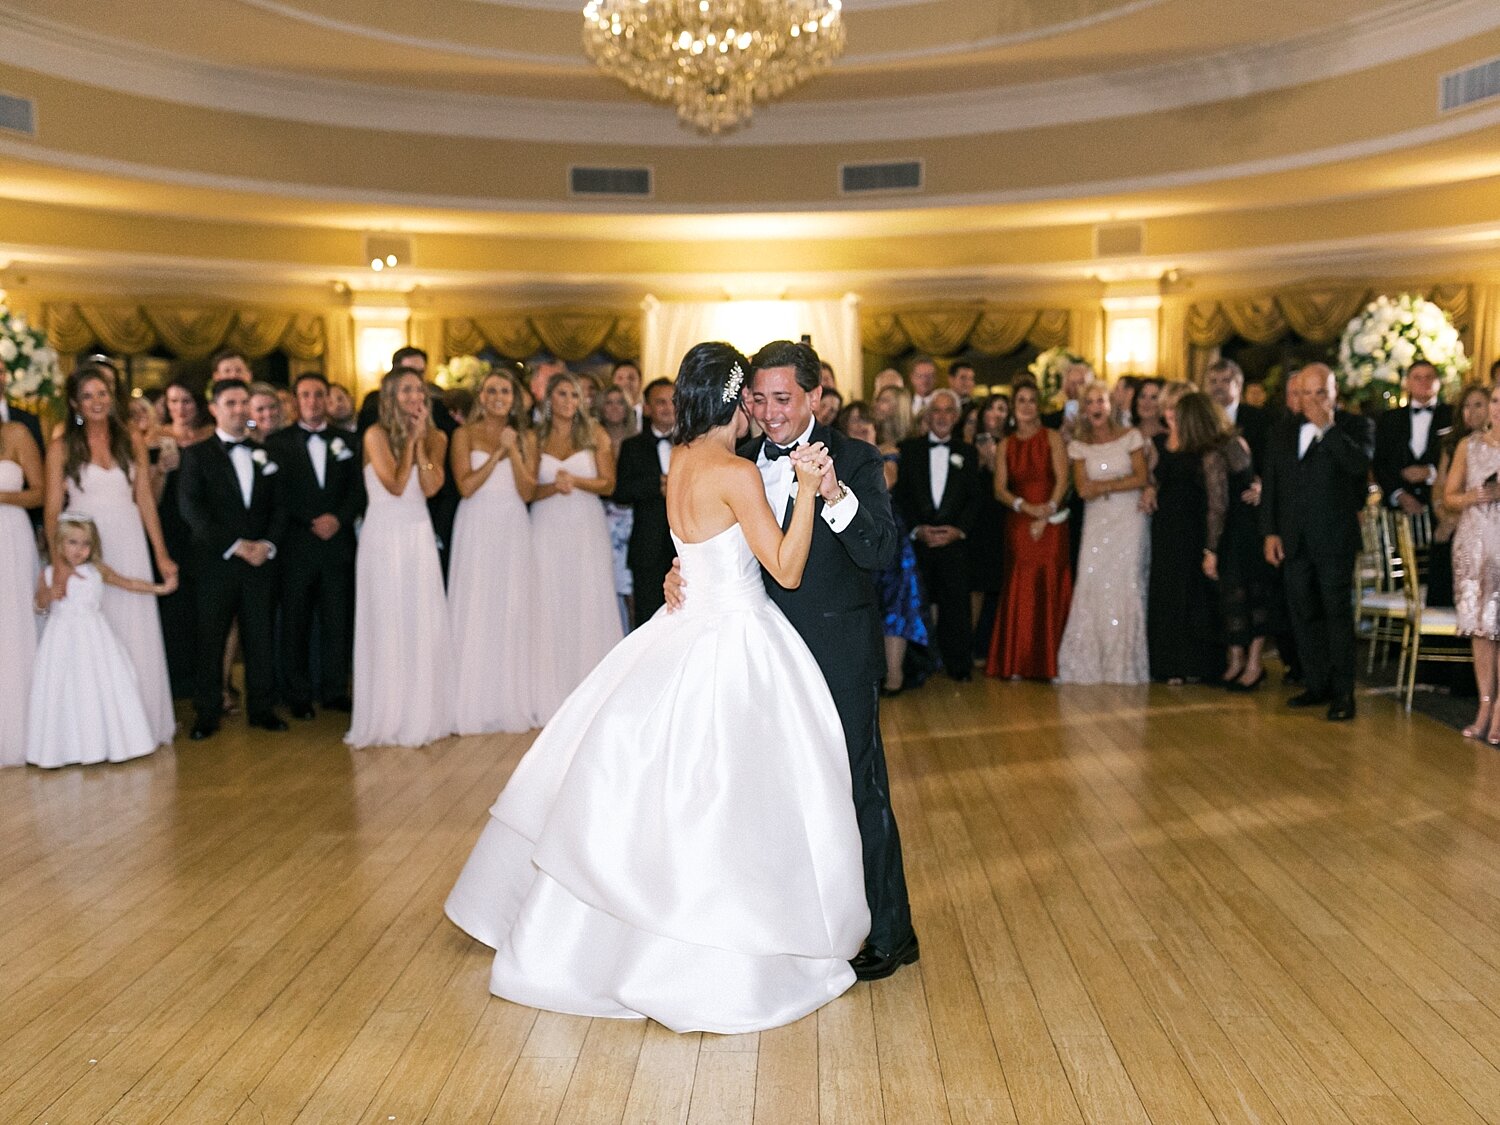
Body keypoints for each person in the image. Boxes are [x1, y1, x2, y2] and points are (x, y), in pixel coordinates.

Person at [445, 342, 868, 1033]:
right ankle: (725, 946)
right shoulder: (734, 472)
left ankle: (629, 940)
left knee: (660, 799)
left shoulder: (680, 463)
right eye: (749, 400)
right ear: (733, 402)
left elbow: (694, 550)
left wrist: (685, 572)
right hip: (734, 637)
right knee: (734, 803)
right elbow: (786, 569)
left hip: (687, 627)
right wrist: (810, 496)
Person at [666, 339, 916, 981]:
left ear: (815, 397)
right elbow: (721, 540)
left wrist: (835, 497)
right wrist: (680, 570)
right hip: (757, 655)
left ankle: (889, 932)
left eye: (783, 398)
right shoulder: (737, 460)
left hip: (835, 649)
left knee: (857, 787)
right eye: (759, 398)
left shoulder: (857, 459)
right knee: (774, 795)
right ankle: (800, 925)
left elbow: (882, 553)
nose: (771, 412)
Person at [44, 364, 177, 747]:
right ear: (75, 403)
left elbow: (146, 502)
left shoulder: (129, 438)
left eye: (102, 393)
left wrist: (162, 555)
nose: (97, 402)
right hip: (84, 546)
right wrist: (60, 565)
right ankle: (98, 734)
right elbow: (53, 511)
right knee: (94, 636)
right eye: (87, 396)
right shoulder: (62, 446)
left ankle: (140, 727)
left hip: (130, 539)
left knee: (134, 628)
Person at [347, 367, 455, 748]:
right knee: (388, 621)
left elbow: (430, 486)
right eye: (406, 391)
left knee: (421, 621)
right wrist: (409, 442)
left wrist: (422, 442)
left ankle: (424, 713)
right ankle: (388, 714)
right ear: (390, 397)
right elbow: (393, 484)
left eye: (419, 392)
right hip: (384, 536)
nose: (415, 398)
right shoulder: (374, 435)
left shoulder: (439, 437)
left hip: (417, 535)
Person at [176, 379, 288, 740]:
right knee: (210, 638)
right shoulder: (196, 455)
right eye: (231, 403)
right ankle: (207, 711)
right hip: (216, 563)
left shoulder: (266, 453)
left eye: (244, 403)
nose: (239, 409)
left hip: (260, 562)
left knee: (261, 636)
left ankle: (262, 708)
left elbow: (280, 507)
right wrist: (236, 545)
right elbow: (192, 510)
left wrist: (267, 544)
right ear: (214, 408)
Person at [1261, 364, 1373, 721]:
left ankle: (1344, 695)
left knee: (1336, 615)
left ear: (1334, 392)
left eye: (1319, 393)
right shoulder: (1282, 431)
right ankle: (1317, 683)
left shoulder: (1356, 426)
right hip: (1293, 539)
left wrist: (1327, 427)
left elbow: (1358, 467)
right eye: (1304, 394)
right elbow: (1272, 487)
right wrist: (1270, 532)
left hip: (1335, 539)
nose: (1311, 401)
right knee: (1303, 614)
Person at [26, 515, 176, 768]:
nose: (79, 550)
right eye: (72, 542)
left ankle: (107, 742)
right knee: (64, 688)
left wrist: (160, 588)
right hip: (62, 638)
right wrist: (49, 596)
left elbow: (128, 583)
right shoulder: (49, 573)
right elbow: (38, 605)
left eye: (86, 544)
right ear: (59, 543)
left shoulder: (97, 570)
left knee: (99, 685)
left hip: (95, 638)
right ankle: (65, 747)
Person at [265, 373, 363, 718]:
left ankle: (336, 689)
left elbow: (358, 489)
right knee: (296, 622)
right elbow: (278, 495)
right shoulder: (277, 443)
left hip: (337, 545)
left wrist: (338, 518)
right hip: (297, 545)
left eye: (318, 395)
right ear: (295, 401)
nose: (312, 401)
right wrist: (311, 520)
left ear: (327, 399)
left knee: (338, 619)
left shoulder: (348, 441)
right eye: (305, 395)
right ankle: (298, 694)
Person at [529, 372, 623, 722]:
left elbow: (609, 483)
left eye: (574, 395)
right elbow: (527, 490)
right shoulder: (534, 437)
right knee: (547, 597)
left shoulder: (594, 433)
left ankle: (591, 688)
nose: (569, 401)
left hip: (585, 524)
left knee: (586, 596)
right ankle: (547, 688)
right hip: (545, 524)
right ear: (549, 399)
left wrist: (576, 482)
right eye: (562, 394)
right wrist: (554, 487)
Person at [447, 370, 537, 734]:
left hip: (513, 524)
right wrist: (497, 451)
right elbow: (466, 486)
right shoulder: (463, 434)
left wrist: (513, 449)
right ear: (481, 397)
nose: (498, 396)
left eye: (505, 391)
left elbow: (528, 491)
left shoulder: (527, 436)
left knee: (511, 606)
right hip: (477, 523)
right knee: (477, 605)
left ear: (514, 398)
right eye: (491, 391)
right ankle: (471, 700)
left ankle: (510, 698)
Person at [1056, 383, 1150, 683]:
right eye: (1090, 402)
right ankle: (1089, 663)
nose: (1096, 407)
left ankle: (1124, 665)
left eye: (1102, 401)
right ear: (1084, 409)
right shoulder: (1079, 445)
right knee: (1092, 580)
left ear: (1111, 406)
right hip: (1097, 523)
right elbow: (1083, 488)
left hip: (1129, 519)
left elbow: (1142, 476)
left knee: (1126, 583)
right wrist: (1119, 480)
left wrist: (1106, 486)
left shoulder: (1131, 437)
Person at [893, 389, 980, 680]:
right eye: (936, 411)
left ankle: (958, 665)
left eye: (947, 411)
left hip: (954, 543)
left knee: (956, 605)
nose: (942, 417)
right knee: (916, 605)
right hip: (920, 542)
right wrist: (918, 529)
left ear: (955, 417)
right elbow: (901, 497)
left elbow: (974, 499)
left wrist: (959, 531)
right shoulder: (909, 449)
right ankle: (918, 667)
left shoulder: (968, 452)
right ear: (927, 416)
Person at [987, 381, 1071, 680]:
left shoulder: (1052, 437)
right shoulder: (1007, 444)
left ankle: (1051, 664)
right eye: (1020, 400)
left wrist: (1046, 512)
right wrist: (1026, 507)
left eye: (1031, 400)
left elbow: (1063, 480)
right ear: (1013, 406)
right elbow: (999, 489)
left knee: (1050, 581)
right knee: (1020, 585)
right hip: (1020, 520)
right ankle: (1018, 661)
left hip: (1052, 520)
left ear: (1039, 406)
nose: (1026, 406)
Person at [1147, 391, 1231, 684]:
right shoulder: (1159, 444)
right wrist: (1149, 488)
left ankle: (1194, 663)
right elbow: (1151, 478)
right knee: (1166, 592)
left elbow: (1217, 502)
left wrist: (1211, 546)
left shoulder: (1206, 451)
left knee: (1191, 594)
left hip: (1191, 530)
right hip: (1164, 530)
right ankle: (1166, 662)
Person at [1445, 383, 1500, 742]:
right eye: (1496, 401)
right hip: (1472, 544)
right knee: (1480, 629)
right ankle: (1484, 704)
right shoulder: (1468, 445)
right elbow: (1448, 497)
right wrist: (1474, 495)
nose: (1497, 408)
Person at [865, 397, 929, 695]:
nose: (861, 430)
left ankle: (894, 677)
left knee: (897, 605)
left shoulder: (888, 452)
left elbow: (886, 482)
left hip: (890, 538)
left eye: (866, 426)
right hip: (854, 538)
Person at [613, 377, 677, 627]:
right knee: (646, 619)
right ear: (647, 408)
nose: (667, 408)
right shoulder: (633, 446)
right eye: (659, 402)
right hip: (646, 547)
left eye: (672, 402)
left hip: (684, 544)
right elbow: (621, 491)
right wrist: (657, 485)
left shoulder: (692, 444)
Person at [0, 416, 42, 766]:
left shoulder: (16, 433)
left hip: (11, 537)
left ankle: (27, 729)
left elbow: (40, 492)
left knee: (14, 628)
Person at [1430, 383, 1491, 608]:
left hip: (1485, 522)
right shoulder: (1454, 444)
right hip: (1454, 516)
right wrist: (1443, 514)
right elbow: (1440, 487)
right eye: (1466, 406)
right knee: (1443, 539)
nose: (1471, 412)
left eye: (1478, 405)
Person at [1374, 360, 1451, 518]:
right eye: (1417, 378)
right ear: (1407, 383)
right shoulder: (1389, 419)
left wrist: (1431, 472)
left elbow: (1462, 457)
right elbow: (1380, 462)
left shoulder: (1452, 415)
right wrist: (1399, 494)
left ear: (1438, 382)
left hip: (1442, 505)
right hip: (1398, 510)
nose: (1424, 382)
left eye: (1429, 377)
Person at [598, 385, 639, 630]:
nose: (614, 407)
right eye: (609, 402)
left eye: (619, 402)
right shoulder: (592, 437)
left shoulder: (636, 440)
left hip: (630, 518)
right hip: (601, 517)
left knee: (630, 586)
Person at [1204, 358, 1269, 468]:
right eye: (1213, 381)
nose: (1218, 386)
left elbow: (1265, 457)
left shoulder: (1258, 418)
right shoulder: (1201, 418)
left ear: (1239, 386)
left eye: (1225, 381)